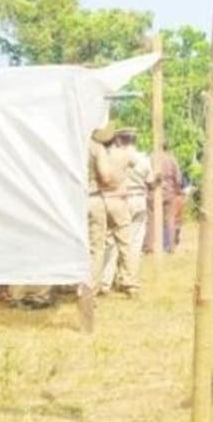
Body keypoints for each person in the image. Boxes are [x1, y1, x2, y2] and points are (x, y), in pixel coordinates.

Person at [87, 122, 136, 299]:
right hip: (108, 199)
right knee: (121, 244)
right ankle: (128, 282)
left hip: (87, 199)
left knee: (100, 245)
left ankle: (102, 282)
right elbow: (108, 177)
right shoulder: (117, 154)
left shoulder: (81, 146)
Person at [102, 128, 152, 296]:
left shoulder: (111, 157)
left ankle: (105, 281)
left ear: (118, 140)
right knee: (134, 242)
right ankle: (128, 278)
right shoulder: (143, 159)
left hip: (118, 199)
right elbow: (151, 180)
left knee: (111, 241)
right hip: (138, 199)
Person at [156, 142, 183, 254]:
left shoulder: (152, 158)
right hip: (169, 193)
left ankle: (154, 246)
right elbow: (178, 179)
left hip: (155, 193)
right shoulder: (172, 160)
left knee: (154, 220)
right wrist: (177, 191)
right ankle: (170, 247)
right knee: (170, 220)